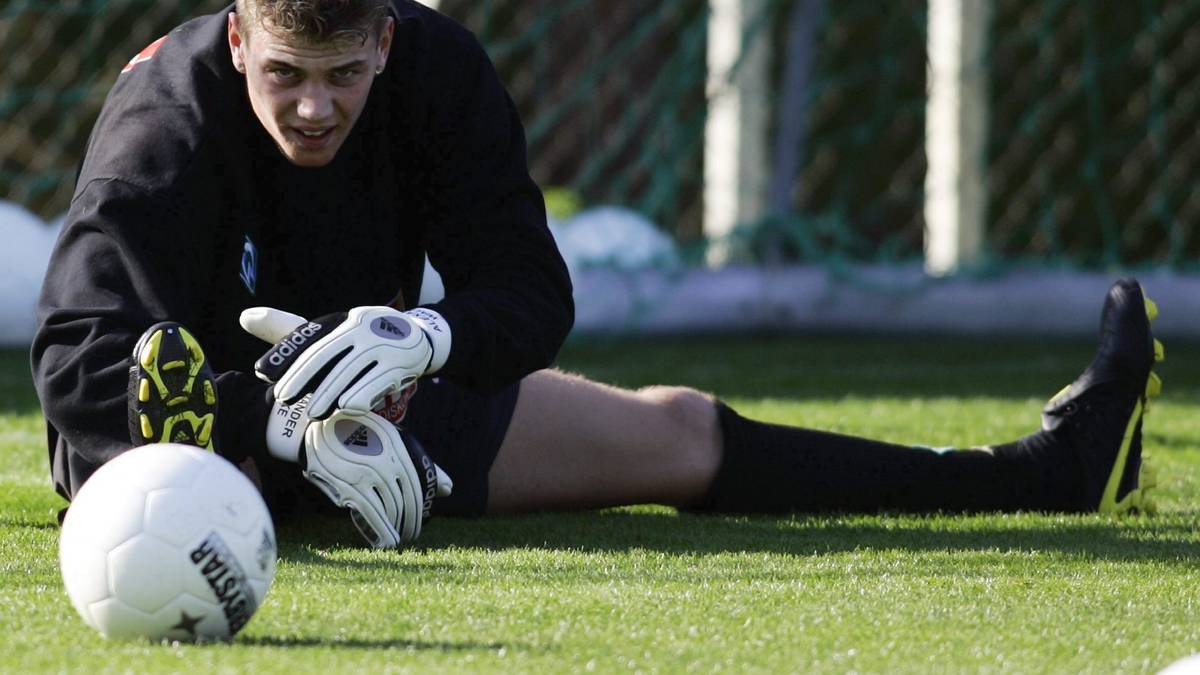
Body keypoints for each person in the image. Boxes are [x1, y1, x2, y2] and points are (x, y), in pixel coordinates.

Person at [32, 0, 1164, 548]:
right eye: (286, 75)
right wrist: (269, 430)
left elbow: (533, 296)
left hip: (388, 413)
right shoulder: (165, 119)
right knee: (152, 437)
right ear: (238, 42)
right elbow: (74, 368)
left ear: (384, 37)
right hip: (189, 454)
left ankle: (1051, 475)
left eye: (341, 71)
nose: (316, 105)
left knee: (676, 430)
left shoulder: (440, 75)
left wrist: (431, 338)